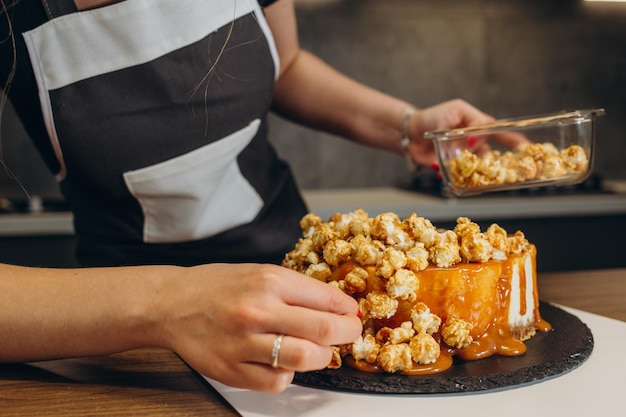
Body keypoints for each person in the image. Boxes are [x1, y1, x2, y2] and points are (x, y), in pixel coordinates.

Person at [0, 0, 496, 392]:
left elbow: (287, 63)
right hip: (122, 334)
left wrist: (405, 128)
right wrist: (170, 305)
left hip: (299, 288)